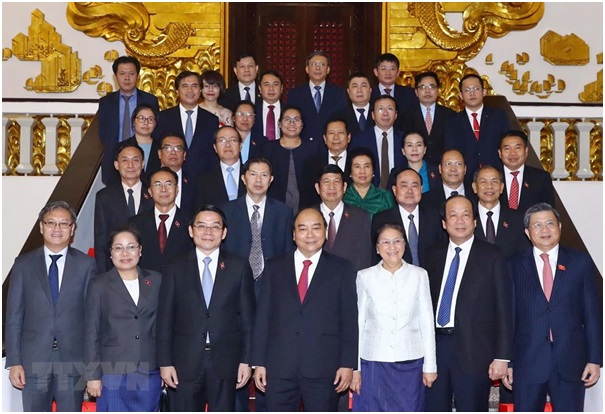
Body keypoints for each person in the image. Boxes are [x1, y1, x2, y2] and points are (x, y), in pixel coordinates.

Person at [252, 208, 358, 412]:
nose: (310, 234)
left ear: (325, 232)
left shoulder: (342, 268)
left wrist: (347, 364)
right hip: (279, 367)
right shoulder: (274, 267)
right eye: (302, 229)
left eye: (316, 228)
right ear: (293, 234)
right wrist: (258, 362)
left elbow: (349, 320)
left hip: (324, 368)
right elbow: (263, 317)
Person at [503, 203, 602, 412]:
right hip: (527, 362)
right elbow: (507, 318)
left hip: (570, 362)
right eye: (537, 225)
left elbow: (592, 314)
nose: (544, 230)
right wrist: (507, 361)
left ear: (559, 227)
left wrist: (595, 359)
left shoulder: (580, 262)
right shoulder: (513, 266)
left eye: (550, 223)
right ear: (527, 232)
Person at [156, 205, 256, 411]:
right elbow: (165, 319)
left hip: (226, 361)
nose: (208, 232)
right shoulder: (175, 267)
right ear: (191, 231)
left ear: (224, 232)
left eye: (215, 227)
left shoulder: (239, 267)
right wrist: (165, 362)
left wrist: (247, 361)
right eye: (201, 226)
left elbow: (248, 319)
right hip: (185, 361)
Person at [5, 201, 97, 412]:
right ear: (41, 227)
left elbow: (92, 319)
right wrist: (14, 362)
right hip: (33, 361)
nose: (57, 228)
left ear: (72, 229)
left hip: (72, 362)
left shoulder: (86, 265)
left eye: (64, 223)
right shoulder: (23, 264)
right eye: (51, 223)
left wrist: (92, 366)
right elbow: (14, 317)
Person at [424, 195, 513, 412]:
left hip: (475, 350)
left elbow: (504, 308)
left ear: (474, 221)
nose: (460, 221)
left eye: (466, 215)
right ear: (444, 223)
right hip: (435, 348)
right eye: (453, 215)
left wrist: (502, 356)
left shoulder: (492, 255)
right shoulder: (431, 254)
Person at [220, 157, 295, 411]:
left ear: (271, 180)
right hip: (235, 294)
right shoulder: (226, 211)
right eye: (253, 174)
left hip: (270, 293)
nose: (258, 180)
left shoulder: (283, 212)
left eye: (264, 175)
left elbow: (287, 255)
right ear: (243, 178)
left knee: (268, 359)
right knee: (236, 360)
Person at [351, 223, 436, 412]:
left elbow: (426, 322)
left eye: (397, 241)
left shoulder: (419, 275)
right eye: (385, 242)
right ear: (377, 248)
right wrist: (355, 368)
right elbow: (358, 324)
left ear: (405, 245)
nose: (392, 247)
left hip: (410, 363)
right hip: (373, 362)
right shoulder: (364, 277)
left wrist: (430, 366)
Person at [84, 227, 162, 411]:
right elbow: (91, 332)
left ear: (140, 250)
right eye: (118, 248)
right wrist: (92, 375)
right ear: (111, 253)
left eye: (131, 247)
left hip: (148, 369)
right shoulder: (99, 285)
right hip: (112, 372)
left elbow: (165, 326)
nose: (125, 253)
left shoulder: (156, 281)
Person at [98, 56, 159, 185]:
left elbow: (155, 129)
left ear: (137, 76)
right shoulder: (106, 102)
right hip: (115, 159)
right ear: (116, 76)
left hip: (144, 156)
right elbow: (103, 133)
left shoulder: (150, 100)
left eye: (131, 73)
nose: (127, 78)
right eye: (122, 73)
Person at [94, 141, 154, 273]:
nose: (130, 165)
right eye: (125, 160)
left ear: (143, 164)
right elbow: (101, 241)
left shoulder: (153, 193)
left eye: (135, 160)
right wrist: (103, 275)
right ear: (116, 165)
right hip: (116, 268)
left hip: (149, 269)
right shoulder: (104, 197)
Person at [372, 168, 444, 268]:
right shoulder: (381, 219)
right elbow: (375, 256)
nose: (410, 191)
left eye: (414, 186)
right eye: (404, 186)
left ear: (421, 189)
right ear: (394, 190)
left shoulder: (435, 217)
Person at [153, 70, 219, 177]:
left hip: (202, 178)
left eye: (194, 86)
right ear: (177, 91)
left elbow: (213, 154)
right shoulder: (163, 117)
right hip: (170, 177)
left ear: (200, 90)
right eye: (185, 86)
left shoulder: (211, 120)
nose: (190, 90)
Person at [444, 73, 511, 177]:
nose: (472, 93)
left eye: (476, 89)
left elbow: (507, 145)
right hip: (466, 177)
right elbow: (450, 151)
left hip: (495, 175)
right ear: (461, 95)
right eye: (467, 90)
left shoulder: (499, 116)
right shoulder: (452, 122)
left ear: (484, 92)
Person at [129, 167, 194, 272]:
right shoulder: (135, 223)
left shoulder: (191, 222)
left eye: (168, 184)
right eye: (158, 185)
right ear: (150, 191)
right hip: (146, 281)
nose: (163, 189)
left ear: (177, 189)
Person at [314, 164, 372, 271]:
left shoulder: (360, 217)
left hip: (350, 278)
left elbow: (364, 257)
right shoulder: (308, 216)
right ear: (318, 188)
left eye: (336, 181)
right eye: (326, 182)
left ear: (344, 187)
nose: (331, 186)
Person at [261, 105, 316, 212]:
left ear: (302, 125)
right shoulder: (268, 148)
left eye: (296, 120)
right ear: (279, 124)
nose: (292, 123)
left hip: (308, 207)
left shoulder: (313, 149)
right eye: (287, 120)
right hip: (274, 207)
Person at [287, 50, 347, 143]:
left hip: (331, 145)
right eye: (314, 64)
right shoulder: (295, 94)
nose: (318, 68)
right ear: (307, 69)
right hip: (303, 145)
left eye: (322, 64)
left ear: (328, 69)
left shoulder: (339, 93)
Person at [471, 165, 529, 259]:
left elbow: (524, 255)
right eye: (483, 181)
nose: (489, 186)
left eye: (494, 181)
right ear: (474, 187)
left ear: (501, 187)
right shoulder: (467, 218)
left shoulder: (518, 219)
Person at [350, 95, 405, 189]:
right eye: (380, 109)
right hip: (368, 192)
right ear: (373, 115)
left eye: (390, 109)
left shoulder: (404, 139)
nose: (385, 113)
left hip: (399, 191)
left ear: (396, 115)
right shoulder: (359, 140)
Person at [402, 71, 455, 165]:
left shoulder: (450, 115)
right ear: (416, 92)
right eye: (422, 87)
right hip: (416, 167)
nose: (427, 91)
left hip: (443, 167)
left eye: (432, 87)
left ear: (438, 91)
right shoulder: (406, 116)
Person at [498, 129, 556, 212]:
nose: (512, 153)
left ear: (526, 151)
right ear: (500, 153)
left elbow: (549, 211)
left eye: (518, 148)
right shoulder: (491, 177)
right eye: (507, 148)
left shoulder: (541, 178)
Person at [301, 118, 352, 208]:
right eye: (331, 133)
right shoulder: (310, 165)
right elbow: (306, 197)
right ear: (325, 138)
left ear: (348, 137)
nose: (336, 137)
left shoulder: (357, 163)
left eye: (340, 133)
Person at [196, 126, 247, 208]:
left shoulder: (251, 174)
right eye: (222, 140)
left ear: (240, 145)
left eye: (233, 140)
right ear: (215, 147)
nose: (228, 145)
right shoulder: (203, 179)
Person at [343, 147, 396, 218]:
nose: (362, 171)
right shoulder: (342, 196)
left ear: (373, 171)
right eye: (357, 167)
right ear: (350, 172)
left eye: (367, 166)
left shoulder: (385, 197)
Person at [370, 53, 417, 131]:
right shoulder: (369, 94)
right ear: (376, 72)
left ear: (398, 72)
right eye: (383, 69)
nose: (388, 73)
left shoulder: (410, 94)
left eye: (392, 69)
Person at [155, 133, 196, 215]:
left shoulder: (195, 183)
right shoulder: (147, 181)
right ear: (159, 154)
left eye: (178, 148)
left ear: (184, 155)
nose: (173, 152)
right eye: (168, 148)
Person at [122, 103, 161, 182]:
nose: (146, 123)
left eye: (150, 119)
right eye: (141, 118)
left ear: (155, 124)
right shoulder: (122, 147)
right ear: (133, 122)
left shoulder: (161, 147)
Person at [253, 70, 284, 141]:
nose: (271, 88)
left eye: (275, 84)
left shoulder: (288, 110)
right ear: (260, 88)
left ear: (281, 88)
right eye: (266, 84)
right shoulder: (253, 111)